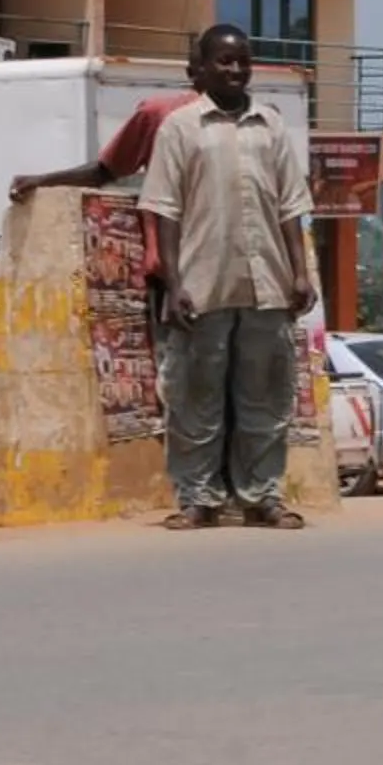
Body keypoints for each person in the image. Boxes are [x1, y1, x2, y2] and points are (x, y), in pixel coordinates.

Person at [141, 26, 315, 530]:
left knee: (265, 398)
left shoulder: (272, 128)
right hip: (203, 285)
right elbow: (165, 211)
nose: (235, 70)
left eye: (242, 61)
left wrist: (300, 272)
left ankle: (262, 498)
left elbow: (291, 207)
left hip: (268, 286)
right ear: (203, 67)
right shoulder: (180, 128)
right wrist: (174, 285)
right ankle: (199, 500)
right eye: (224, 61)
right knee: (196, 401)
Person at [12, 64, 210, 341]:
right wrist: (43, 180)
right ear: (195, 72)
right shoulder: (159, 116)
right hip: (177, 274)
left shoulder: (253, 123)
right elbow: (106, 169)